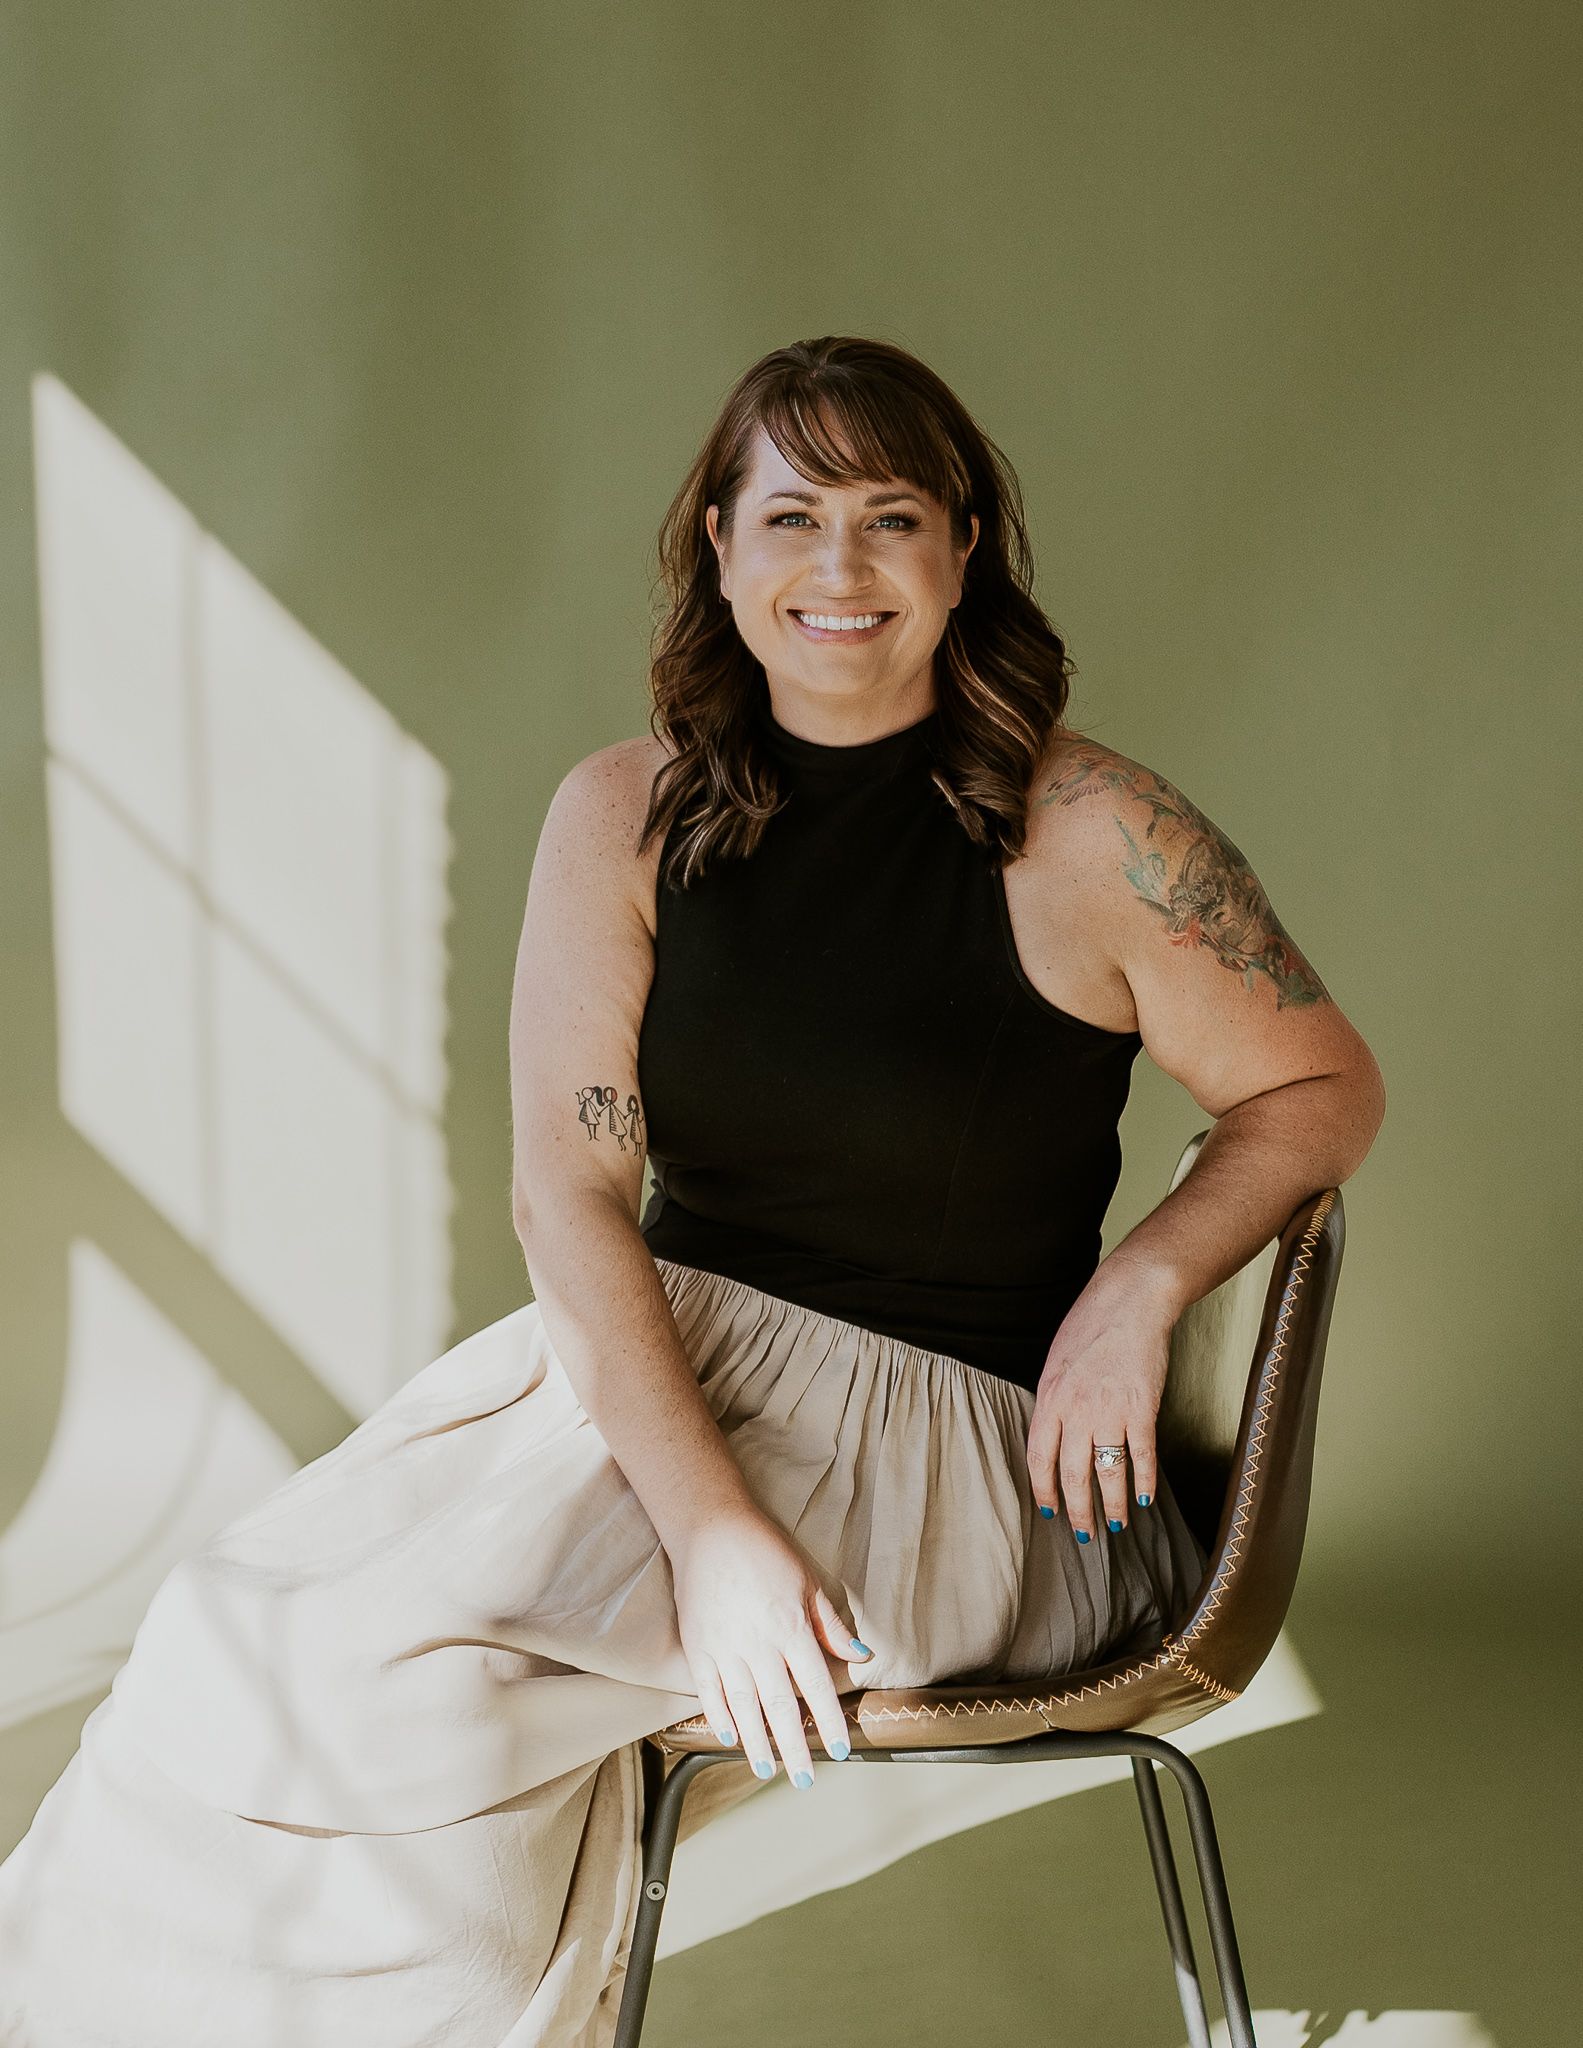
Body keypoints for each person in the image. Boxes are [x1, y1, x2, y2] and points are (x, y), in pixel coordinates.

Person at [0, 335, 1385, 2045]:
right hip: (652, 1380)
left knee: (420, 1697)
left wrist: (1140, 1284)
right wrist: (713, 1530)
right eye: (791, 516)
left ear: (964, 553)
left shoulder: (1092, 832)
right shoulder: (621, 819)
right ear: (718, 551)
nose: (841, 568)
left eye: (892, 519)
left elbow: (1321, 1083)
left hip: (939, 1455)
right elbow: (568, 1192)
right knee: (231, 1640)